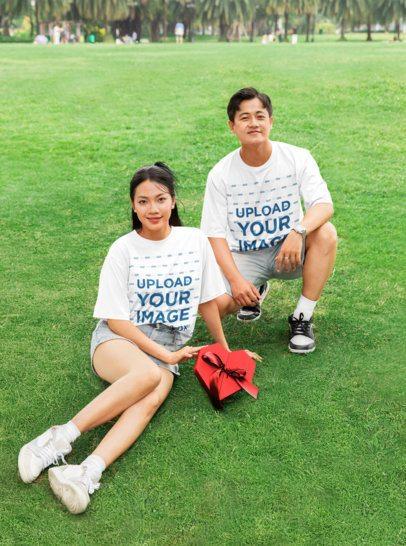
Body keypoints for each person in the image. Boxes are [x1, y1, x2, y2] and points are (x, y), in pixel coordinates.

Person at [18, 163, 260, 514]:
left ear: (174, 201)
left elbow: (208, 301)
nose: (153, 209)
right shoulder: (123, 249)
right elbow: (116, 319)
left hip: (170, 343)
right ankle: (57, 439)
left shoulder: (195, 241)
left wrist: (226, 353)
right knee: (148, 376)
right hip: (120, 338)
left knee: (148, 403)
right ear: (134, 206)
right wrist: (163, 354)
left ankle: (85, 473)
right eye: (144, 201)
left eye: (161, 199)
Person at [201, 88, 337, 354]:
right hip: (244, 255)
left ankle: (302, 318)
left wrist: (298, 231)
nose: (254, 123)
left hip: (289, 251)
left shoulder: (297, 157)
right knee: (212, 306)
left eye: (260, 116)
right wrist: (237, 281)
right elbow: (214, 235)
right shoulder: (221, 173)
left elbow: (323, 204)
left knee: (326, 233)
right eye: (245, 117)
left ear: (271, 121)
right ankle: (254, 288)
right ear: (232, 126)